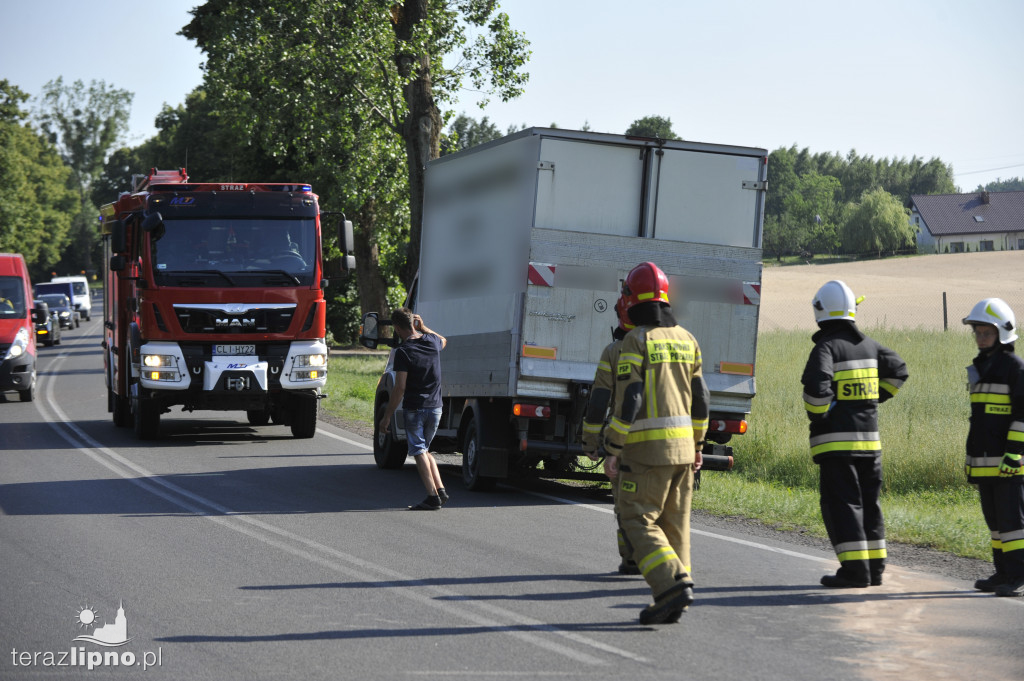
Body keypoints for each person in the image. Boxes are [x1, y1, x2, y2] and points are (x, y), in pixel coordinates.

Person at [602, 262, 709, 624]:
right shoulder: (688, 339)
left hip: (645, 453)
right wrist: (698, 444)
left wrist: (613, 447)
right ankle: (677, 591)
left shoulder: (636, 341)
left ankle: (669, 587)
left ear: (632, 299)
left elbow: (630, 398)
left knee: (636, 518)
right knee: (675, 524)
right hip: (683, 453)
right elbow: (701, 399)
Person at [801, 280, 908, 588]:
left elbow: (816, 390)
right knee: (869, 504)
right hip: (870, 446)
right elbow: (899, 370)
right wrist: (874, 398)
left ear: (820, 310)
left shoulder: (826, 348)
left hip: (837, 447)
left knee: (843, 506)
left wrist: (821, 414)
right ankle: (874, 570)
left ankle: (854, 571)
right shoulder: (870, 346)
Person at [961, 298, 1024, 597]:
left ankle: (1018, 576)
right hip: (985, 461)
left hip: (1009, 461)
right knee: (996, 524)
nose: (981, 338)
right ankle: (1002, 573)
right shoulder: (981, 367)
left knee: (1012, 524)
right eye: (978, 332)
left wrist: (1015, 453)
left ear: (1003, 333)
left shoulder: (1014, 367)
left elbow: (1022, 415)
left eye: (986, 332)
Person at [581, 296, 638, 575]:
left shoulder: (614, 351)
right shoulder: (675, 344)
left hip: (627, 442)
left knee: (626, 505)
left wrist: (591, 441)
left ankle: (632, 559)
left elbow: (599, 400)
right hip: (672, 444)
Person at [379, 307, 449, 511]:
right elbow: (444, 340)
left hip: (415, 409)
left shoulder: (403, 352)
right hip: (436, 408)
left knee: (418, 451)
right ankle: (441, 490)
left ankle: (432, 496)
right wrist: (425, 327)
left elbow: (400, 387)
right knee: (425, 449)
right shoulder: (432, 342)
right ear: (414, 323)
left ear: (398, 328)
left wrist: (387, 416)